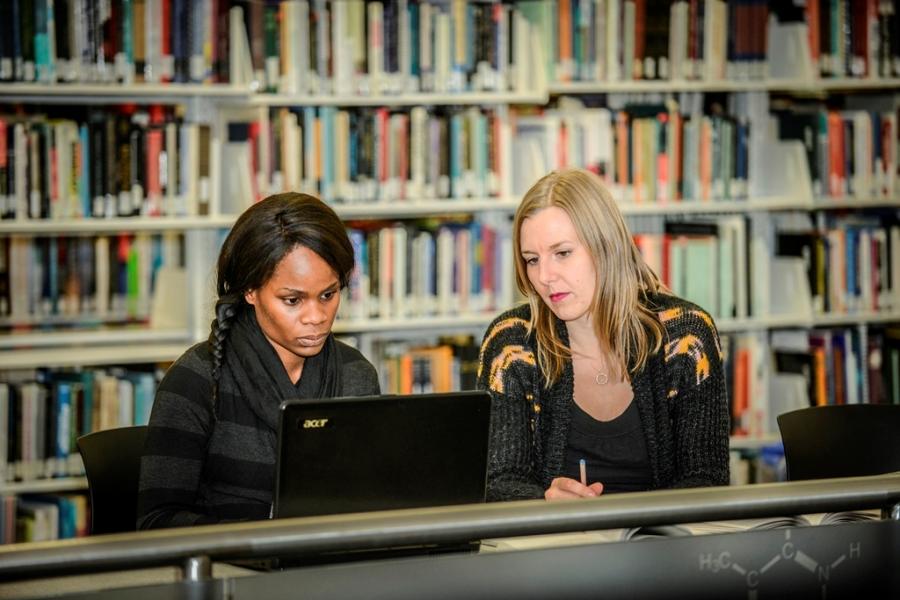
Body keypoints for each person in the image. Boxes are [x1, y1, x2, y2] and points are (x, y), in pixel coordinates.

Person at [477, 169, 729, 502]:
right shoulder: (511, 345)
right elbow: (496, 483)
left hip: (662, 534)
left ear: (606, 247)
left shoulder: (687, 340)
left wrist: (638, 523)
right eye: (532, 260)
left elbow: (707, 480)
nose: (545, 276)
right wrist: (543, 503)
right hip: (555, 534)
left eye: (562, 253)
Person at [137, 192, 380, 529]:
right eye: (292, 300)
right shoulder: (197, 380)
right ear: (250, 290)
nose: (317, 316)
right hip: (232, 562)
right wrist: (262, 534)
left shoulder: (356, 374)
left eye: (328, 294)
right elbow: (156, 521)